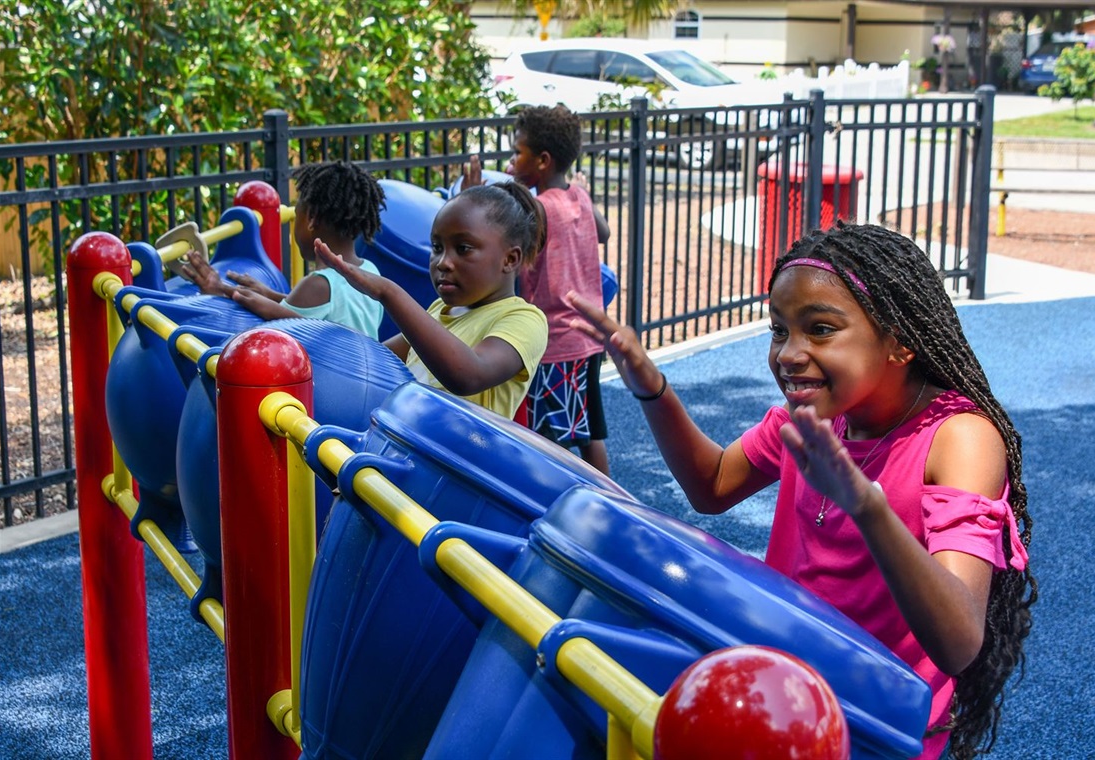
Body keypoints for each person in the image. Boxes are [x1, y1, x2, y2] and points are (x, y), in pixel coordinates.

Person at [567, 222, 1036, 760]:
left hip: (870, 726)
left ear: (901, 341)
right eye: (779, 329)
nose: (789, 353)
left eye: (820, 329)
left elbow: (957, 642)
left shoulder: (959, 439)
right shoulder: (814, 419)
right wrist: (652, 388)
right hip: (781, 692)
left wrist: (865, 506)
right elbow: (712, 484)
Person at [315, 181, 548, 420]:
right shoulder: (441, 308)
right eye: (437, 247)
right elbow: (376, 360)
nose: (443, 262)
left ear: (510, 259)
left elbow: (468, 376)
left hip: (458, 457)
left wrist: (388, 293)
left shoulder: (524, 319)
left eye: (463, 248)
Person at [465, 104, 612, 475]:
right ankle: (615, 505)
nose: (512, 162)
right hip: (588, 338)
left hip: (555, 342)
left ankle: (549, 506)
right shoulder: (578, 195)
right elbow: (604, 233)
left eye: (517, 154)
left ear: (543, 160)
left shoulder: (539, 210)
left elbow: (505, 256)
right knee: (589, 431)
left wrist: (471, 195)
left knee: (548, 439)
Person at [180, 160, 387, 338]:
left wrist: (219, 293)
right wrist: (270, 294)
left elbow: (272, 325)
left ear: (311, 220)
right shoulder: (370, 273)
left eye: (297, 214)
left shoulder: (318, 285)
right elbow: (316, 314)